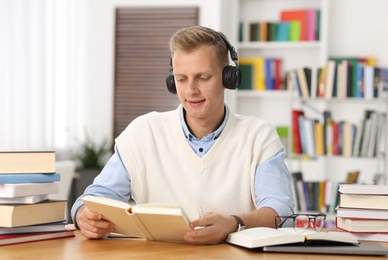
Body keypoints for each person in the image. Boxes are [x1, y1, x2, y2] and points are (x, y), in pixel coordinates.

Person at [71, 25, 294, 245]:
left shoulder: (259, 136)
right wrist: (84, 216)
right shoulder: (143, 132)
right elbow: (95, 197)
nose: (190, 90)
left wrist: (233, 223)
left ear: (229, 78)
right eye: (181, 79)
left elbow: (280, 211)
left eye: (203, 77)